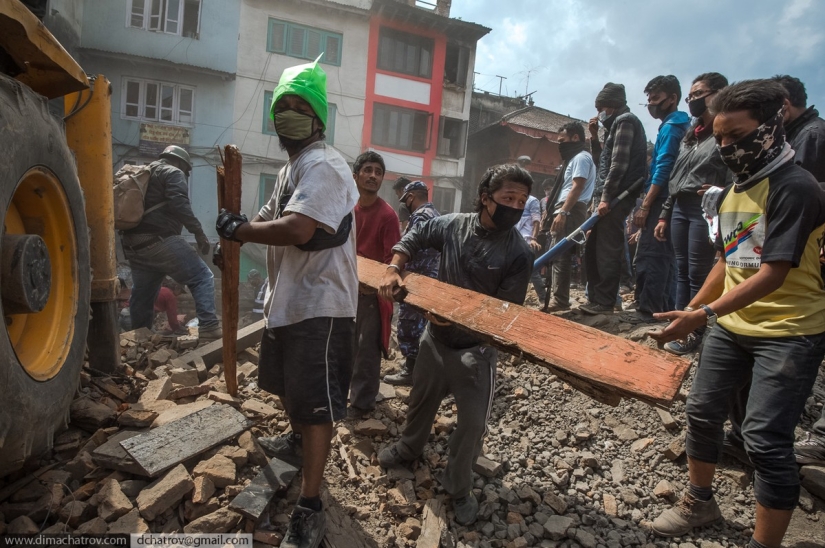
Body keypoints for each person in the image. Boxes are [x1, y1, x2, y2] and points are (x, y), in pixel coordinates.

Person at [649, 80, 825, 548]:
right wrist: (687, 311)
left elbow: (773, 273)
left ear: (772, 125)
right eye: (720, 137)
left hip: (790, 331)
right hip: (731, 324)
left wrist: (701, 314)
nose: (727, 147)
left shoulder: (796, 188)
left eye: (737, 135)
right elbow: (727, 262)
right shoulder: (732, 193)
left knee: (766, 439)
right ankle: (699, 501)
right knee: (703, 413)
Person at [213, 59, 359, 548]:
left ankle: (311, 504)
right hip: (289, 302)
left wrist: (241, 231)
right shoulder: (289, 169)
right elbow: (265, 217)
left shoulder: (325, 166)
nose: (289, 116)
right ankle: (297, 444)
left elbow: (296, 228)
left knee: (316, 407)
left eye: (300, 108)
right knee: (287, 388)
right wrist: (234, 235)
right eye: (283, 108)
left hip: (322, 307)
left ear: (318, 120)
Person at [376, 164, 533, 526]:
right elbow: (413, 238)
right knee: (420, 400)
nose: (515, 206)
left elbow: (504, 315)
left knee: (472, 425)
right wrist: (394, 267)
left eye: (522, 201)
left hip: (476, 351)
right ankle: (408, 448)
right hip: (435, 339)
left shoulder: (518, 253)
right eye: (508, 198)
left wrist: (462, 321)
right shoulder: (452, 224)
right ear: (485, 198)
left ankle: (459, 488)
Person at [654, 72, 730, 354]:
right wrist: (664, 213)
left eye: (699, 94)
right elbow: (675, 174)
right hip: (679, 208)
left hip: (705, 208)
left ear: (719, 93)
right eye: (691, 96)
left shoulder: (725, 133)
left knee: (698, 272)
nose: (693, 100)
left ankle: (695, 330)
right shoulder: (692, 134)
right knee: (681, 270)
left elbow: (733, 175)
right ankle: (679, 322)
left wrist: (723, 195)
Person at [120, 146, 221, 339]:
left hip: (132, 244)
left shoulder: (145, 172)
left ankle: (139, 337)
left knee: (143, 294)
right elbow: (179, 204)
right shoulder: (173, 172)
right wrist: (199, 233)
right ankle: (208, 326)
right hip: (158, 240)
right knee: (201, 276)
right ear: (180, 163)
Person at [581, 83, 648, 315]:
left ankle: (605, 302)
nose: (599, 113)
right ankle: (598, 298)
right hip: (608, 197)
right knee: (594, 249)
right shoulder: (614, 127)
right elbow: (603, 164)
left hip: (616, 198)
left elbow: (618, 165)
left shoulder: (625, 121)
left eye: (600, 108)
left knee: (606, 250)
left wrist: (606, 198)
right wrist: (594, 138)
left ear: (610, 105)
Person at [633, 75, 690, 320]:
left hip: (661, 198)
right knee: (667, 257)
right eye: (648, 99)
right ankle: (663, 308)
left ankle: (648, 310)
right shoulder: (681, 125)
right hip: (673, 199)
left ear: (673, 98)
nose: (651, 104)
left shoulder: (670, 127)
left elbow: (663, 167)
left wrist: (646, 204)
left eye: (655, 98)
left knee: (652, 254)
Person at [350, 151, 401, 418]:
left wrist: (374, 284)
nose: (373, 175)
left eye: (378, 172)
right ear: (355, 175)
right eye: (368, 170)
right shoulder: (346, 208)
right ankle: (344, 393)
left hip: (370, 295)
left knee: (366, 349)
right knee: (342, 345)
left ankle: (361, 405)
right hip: (344, 291)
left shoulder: (387, 216)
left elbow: (391, 260)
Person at [383, 181, 440, 386]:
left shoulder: (421, 216)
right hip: (430, 277)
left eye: (405, 200)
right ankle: (422, 371)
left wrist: (394, 266)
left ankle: (411, 371)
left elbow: (409, 244)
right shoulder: (436, 214)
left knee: (409, 324)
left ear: (410, 197)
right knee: (423, 324)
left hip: (417, 279)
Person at [544, 122, 596, 312]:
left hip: (571, 208)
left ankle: (560, 300)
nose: (560, 145)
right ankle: (558, 298)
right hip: (566, 207)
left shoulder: (582, 157)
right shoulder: (573, 159)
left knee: (560, 254)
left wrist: (563, 212)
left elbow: (577, 186)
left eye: (562, 140)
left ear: (575, 138)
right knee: (557, 254)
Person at [772, 75, 825, 182]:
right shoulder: (798, 133)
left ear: (785, 105)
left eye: (769, 109)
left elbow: (803, 191)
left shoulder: (812, 136)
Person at [516, 192, 546, 302]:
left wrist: (533, 238)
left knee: (532, 270)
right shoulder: (515, 200)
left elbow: (536, 221)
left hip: (527, 241)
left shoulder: (532, 201)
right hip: (515, 239)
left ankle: (543, 297)